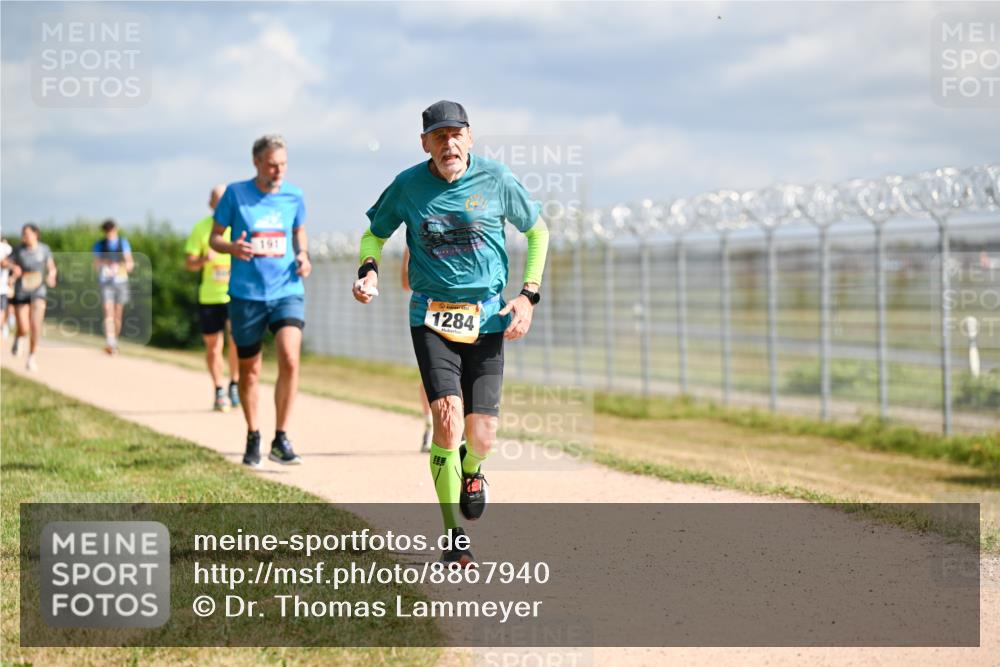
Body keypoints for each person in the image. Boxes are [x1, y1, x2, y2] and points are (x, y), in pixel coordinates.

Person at [354, 101, 549, 566]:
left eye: (456, 134)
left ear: (470, 137)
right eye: (438, 137)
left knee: (481, 435)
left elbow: (538, 231)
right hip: (431, 317)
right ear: (425, 143)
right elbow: (373, 234)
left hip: (487, 319)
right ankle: (453, 534)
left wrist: (527, 296)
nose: (449, 144)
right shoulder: (407, 185)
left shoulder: (497, 178)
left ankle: (474, 470)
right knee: (446, 417)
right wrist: (368, 269)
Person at [210, 134, 311, 468]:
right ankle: (253, 434)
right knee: (250, 370)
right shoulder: (235, 195)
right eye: (272, 164)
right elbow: (215, 239)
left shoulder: (294, 195)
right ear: (256, 163)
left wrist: (304, 255)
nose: (278, 170)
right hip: (247, 296)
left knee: (290, 358)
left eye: (282, 164)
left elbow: (298, 231)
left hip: (286, 289)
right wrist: (232, 248)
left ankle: (281, 437)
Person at [185, 185, 241, 412]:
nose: (220, 204)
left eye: (224, 200)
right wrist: (202, 260)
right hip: (209, 296)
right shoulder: (201, 229)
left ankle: (235, 383)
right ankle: (219, 389)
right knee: (213, 346)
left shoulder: (239, 226)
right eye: (216, 200)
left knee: (237, 342)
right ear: (211, 204)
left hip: (235, 294)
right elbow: (189, 263)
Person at [7, 223, 57, 371]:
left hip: (38, 291)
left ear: (36, 234)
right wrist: (12, 267)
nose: (24, 237)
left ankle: (31, 357)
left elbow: (51, 267)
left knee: (36, 325)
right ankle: (19, 336)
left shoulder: (44, 249)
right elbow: (4, 262)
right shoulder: (18, 250)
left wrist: (51, 276)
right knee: (24, 327)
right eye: (23, 234)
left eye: (27, 234)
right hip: (21, 291)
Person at [402, 247, 435, 452]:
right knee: (431, 375)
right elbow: (405, 283)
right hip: (430, 312)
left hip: (470, 312)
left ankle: (466, 428)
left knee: (466, 374)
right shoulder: (419, 233)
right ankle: (430, 424)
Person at [92, 219, 134, 354]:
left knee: (118, 312)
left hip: (121, 281)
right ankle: (110, 341)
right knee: (107, 310)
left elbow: (130, 263)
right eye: (107, 230)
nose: (109, 233)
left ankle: (114, 340)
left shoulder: (123, 243)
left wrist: (122, 267)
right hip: (106, 282)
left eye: (111, 230)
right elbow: (96, 264)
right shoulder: (99, 245)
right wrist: (107, 265)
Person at [0, 236, 12, 339]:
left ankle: (3, 326)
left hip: (3, 286)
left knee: (3, 309)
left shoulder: (6, 248)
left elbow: (12, 263)